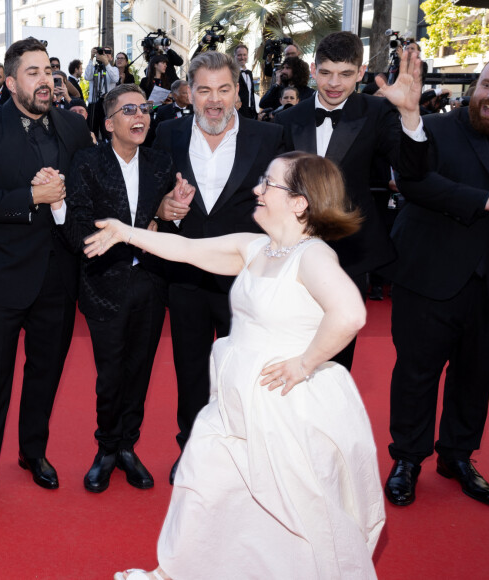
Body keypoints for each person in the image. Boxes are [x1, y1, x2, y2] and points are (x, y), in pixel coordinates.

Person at [85, 151, 385, 580]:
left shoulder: (313, 256)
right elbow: (185, 249)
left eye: (270, 184)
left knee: (294, 513)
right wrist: (125, 233)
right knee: (206, 487)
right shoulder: (256, 247)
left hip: (285, 407)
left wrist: (305, 364)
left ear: (300, 202)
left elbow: (351, 314)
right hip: (235, 401)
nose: (258, 190)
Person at [0, 37, 93, 519]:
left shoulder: (74, 131)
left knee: (45, 372)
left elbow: (89, 196)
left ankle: (33, 451)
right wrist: (27, 199)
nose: (46, 81)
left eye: (49, 72)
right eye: (32, 73)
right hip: (0, 277)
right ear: (10, 82)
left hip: (57, 276)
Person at [384, 55, 489, 508]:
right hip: (429, 275)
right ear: (475, 84)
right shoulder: (432, 128)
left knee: (477, 377)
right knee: (416, 374)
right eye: (487, 84)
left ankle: (457, 457)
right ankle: (407, 458)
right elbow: (413, 181)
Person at [44, 84, 192, 493]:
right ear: (109, 123)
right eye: (129, 110)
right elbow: (82, 234)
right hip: (103, 284)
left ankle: (128, 447)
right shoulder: (88, 162)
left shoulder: (161, 162)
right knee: (110, 375)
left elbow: (164, 220)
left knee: (139, 372)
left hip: (151, 283)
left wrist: (172, 211)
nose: (140, 115)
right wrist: (140, 230)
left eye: (144, 108)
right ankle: (106, 449)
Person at [152, 51, 284, 484]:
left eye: (223, 89)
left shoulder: (270, 138)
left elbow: (285, 208)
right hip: (185, 277)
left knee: (243, 373)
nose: (213, 100)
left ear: (238, 95)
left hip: (245, 279)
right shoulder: (166, 133)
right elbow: (150, 197)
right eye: (204, 89)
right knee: (190, 370)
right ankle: (191, 449)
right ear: (188, 92)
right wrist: (165, 207)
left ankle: (242, 452)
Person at [274, 31, 426, 370]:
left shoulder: (378, 111)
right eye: (326, 72)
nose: (333, 83)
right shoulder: (287, 119)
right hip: (292, 254)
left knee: (336, 359)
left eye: (345, 74)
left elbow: (412, 169)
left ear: (360, 72)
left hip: (351, 253)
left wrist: (411, 116)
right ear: (313, 70)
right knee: (290, 350)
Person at [234, 44, 257, 119]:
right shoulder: (233, 73)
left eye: (244, 55)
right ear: (235, 56)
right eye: (239, 55)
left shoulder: (249, 73)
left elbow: (251, 93)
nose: (242, 57)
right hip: (238, 111)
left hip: (250, 111)